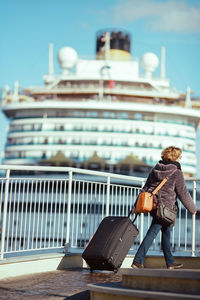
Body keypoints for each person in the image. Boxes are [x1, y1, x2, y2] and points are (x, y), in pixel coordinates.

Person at [131, 146, 197, 270]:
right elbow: (183, 192)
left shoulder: (155, 169)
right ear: (175, 157)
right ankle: (137, 261)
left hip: (154, 205)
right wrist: (193, 209)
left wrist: (136, 206)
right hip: (166, 209)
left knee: (166, 232)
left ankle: (170, 262)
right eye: (179, 156)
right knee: (152, 233)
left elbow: (145, 189)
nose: (180, 158)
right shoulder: (176, 172)